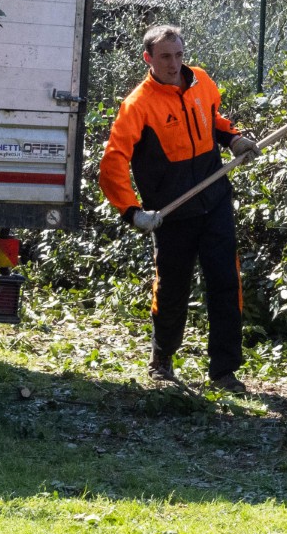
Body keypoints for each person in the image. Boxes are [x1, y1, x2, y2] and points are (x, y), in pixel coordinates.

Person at [99, 25, 259, 391]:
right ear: (149, 59)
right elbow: (112, 164)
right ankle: (162, 359)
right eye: (165, 57)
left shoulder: (202, 81)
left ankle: (224, 371)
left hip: (214, 200)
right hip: (171, 214)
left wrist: (233, 138)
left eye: (178, 55)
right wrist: (131, 211)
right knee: (172, 287)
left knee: (225, 282)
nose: (174, 64)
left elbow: (214, 120)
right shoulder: (138, 105)